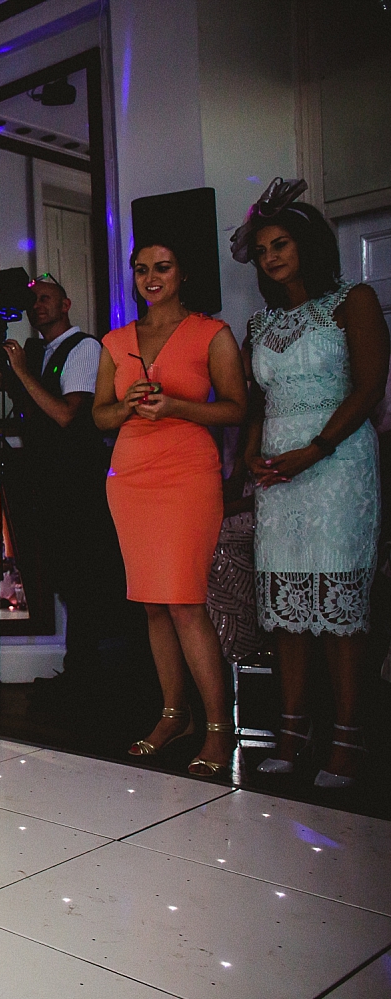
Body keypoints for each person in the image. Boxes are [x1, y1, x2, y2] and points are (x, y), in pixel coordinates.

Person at [231, 178, 389, 788]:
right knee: (287, 609)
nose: (272, 257)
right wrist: (251, 456)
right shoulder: (260, 323)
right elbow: (252, 403)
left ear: (308, 245)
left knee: (339, 611)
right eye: (264, 249)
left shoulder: (355, 300)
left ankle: (346, 744)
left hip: (338, 464)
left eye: (282, 244)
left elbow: (369, 386)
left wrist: (317, 448)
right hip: (277, 474)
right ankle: (293, 737)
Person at [94, 240, 248, 776]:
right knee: (153, 603)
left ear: (183, 272)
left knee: (185, 601)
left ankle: (218, 728)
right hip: (131, 478)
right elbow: (98, 417)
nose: (151, 278)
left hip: (187, 476)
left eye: (162, 267)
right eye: (141, 270)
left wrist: (176, 404)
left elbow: (235, 409)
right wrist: (127, 404)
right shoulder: (115, 341)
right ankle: (172, 715)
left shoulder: (213, 334)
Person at [0, 277, 136, 698]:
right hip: (49, 479)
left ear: (66, 303)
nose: (37, 306)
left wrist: (21, 372)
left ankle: (89, 672)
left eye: (46, 298)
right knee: (63, 572)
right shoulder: (41, 351)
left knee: (84, 575)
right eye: (32, 300)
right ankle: (78, 669)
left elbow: (66, 415)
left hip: (79, 480)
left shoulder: (84, 348)